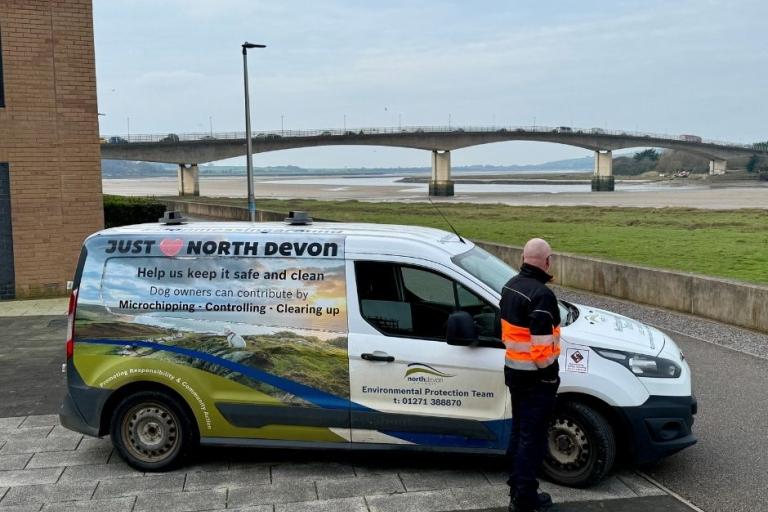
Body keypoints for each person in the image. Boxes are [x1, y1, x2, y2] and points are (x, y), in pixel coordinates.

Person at [500, 238, 561, 512]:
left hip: (514, 374)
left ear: (522, 258)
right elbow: (542, 351)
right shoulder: (541, 296)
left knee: (519, 433)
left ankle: (516, 486)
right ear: (547, 262)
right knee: (532, 439)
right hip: (536, 381)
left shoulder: (509, 286)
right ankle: (525, 498)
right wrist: (550, 377)